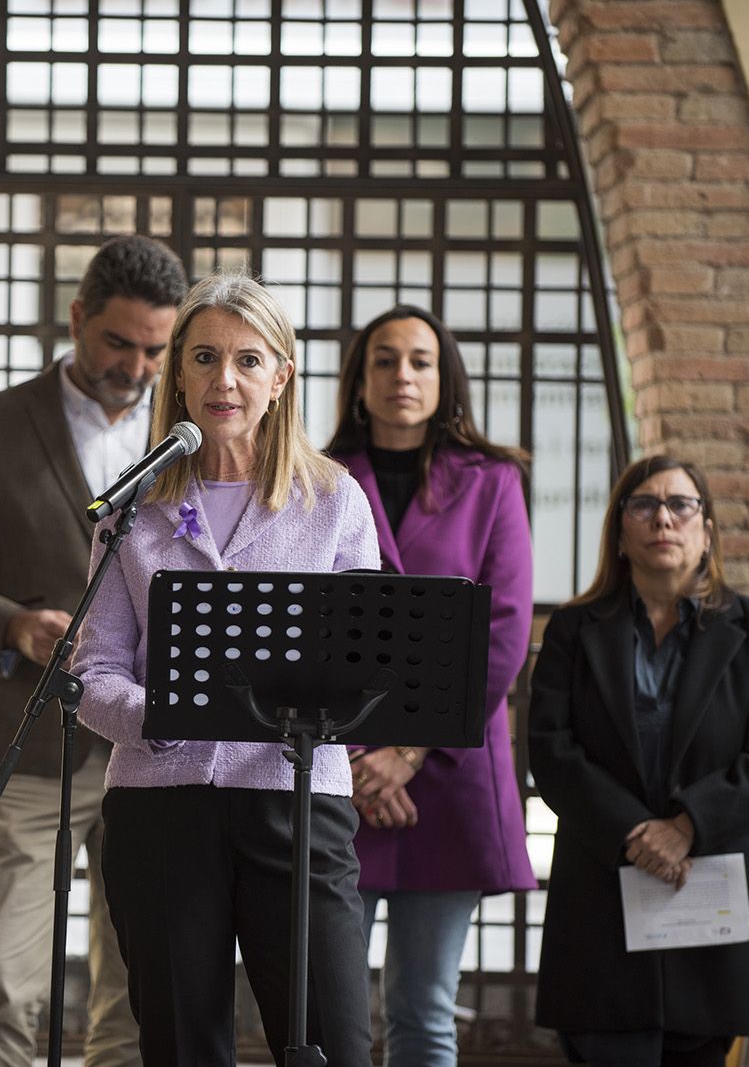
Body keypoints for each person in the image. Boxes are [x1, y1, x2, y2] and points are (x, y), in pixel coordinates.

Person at [73, 273, 381, 1066]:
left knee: (333, 1044)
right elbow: (94, 672)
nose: (224, 380)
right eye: (204, 357)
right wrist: (164, 717)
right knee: (180, 1047)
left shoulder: (335, 501)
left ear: (281, 378)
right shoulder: (130, 509)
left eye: (248, 360)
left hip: (298, 801)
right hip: (161, 808)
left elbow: (366, 673)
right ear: (178, 372)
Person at [0, 234, 187, 1066]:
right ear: (76, 318)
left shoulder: (193, 440)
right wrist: (13, 626)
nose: (137, 367)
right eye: (117, 342)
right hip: (30, 741)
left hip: (154, 746)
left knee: (141, 983)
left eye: (155, 349)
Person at [527, 455, 749, 1066]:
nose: (663, 519)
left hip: (710, 888)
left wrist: (683, 827)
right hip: (604, 886)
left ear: (706, 531)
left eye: (681, 505)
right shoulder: (574, 631)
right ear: (620, 531)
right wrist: (637, 835)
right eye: (643, 504)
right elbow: (552, 752)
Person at [326, 304, 538, 1066]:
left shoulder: (492, 482)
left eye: (420, 360)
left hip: (447, 777)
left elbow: (503, 632)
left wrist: (407, 754)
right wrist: (359, 761)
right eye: (385, 360)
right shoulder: (316, 477)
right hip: (339, 776)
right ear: (360, 379)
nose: (402, 375)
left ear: (445, 379)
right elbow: (307, 632)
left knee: (423, 1014)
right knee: (327, 1016)